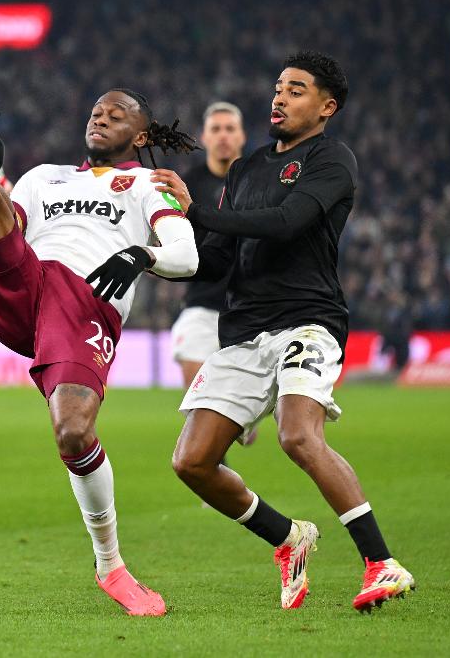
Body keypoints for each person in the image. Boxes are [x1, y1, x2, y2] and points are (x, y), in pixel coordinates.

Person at [0, 2, 199, 616]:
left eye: (117, 112)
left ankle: (111, 568)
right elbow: (4, 224)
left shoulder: (149, 186)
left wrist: (141, 256)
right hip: (23, 287)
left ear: (142, 133)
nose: (100, 116)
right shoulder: (43, 178)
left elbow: (186, 257)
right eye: (96, 109)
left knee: (73, 431)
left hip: (84, 304)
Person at [153, 51, 415, 613]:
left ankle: (382, 563)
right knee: (191, 462)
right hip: (245, 330)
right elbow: (217, 259)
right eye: (278, 87)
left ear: (327, 107)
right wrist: (150, 253)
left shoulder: (332, 160)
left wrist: (198, 210)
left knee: (297, 435)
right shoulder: (246, 171)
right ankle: (288, 539)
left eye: (296, 90)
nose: (279, 97)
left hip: (309, 319)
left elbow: (286, 224)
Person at [169, 102, 258, 455]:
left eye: (230, 129)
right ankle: (210, 468)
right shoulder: (187, 185)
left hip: (250, 306)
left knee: (244, 417)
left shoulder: (258, 181)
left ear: (242, 137)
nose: (223, 136)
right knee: (196, 395)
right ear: (205, 137)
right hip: (202, 304)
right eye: (216, 129)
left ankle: (240, 420)